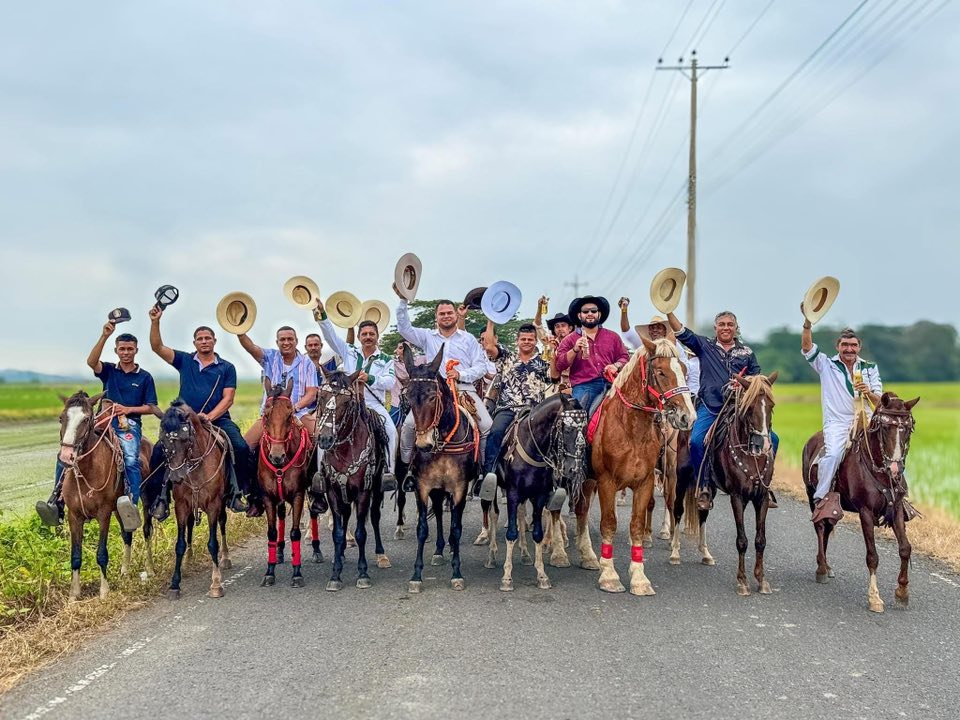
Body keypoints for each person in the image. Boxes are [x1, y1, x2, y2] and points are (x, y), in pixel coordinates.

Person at [36, 321, 158, 527]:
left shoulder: (145, 377)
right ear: (116, 350)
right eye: (122, 349)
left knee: (130, 458)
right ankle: (56, 501)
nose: (126, 353)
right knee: (67, 453)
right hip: (102, 420)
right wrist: (104, 335)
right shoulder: (109, 370)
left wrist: (127, 409)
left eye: (130, 349)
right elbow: (92, 362)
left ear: (136, 350)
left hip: (128, 424)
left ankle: (130, 504)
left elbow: (151, 407)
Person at [667, 309, 779, 510]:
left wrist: (744, 383)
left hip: (739, 409)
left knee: (774, 439)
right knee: (696, 441)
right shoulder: (704, 346)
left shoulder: (747, 353)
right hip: (710, 406)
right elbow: (681, 331)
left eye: (730, 324)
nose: (726, 328)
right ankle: (704, 486)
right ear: (715, 328)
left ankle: (764, 486)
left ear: (736, 328)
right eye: (722, 324)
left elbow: (758, 380)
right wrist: (668, 310)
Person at [147, 307, 248, 519]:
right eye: (200, 339)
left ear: (214, 341)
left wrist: (209, 417)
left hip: (217, 420)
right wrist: (155, 321)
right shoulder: (184, 360)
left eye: (207, 338)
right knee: (158, 451)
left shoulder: (227, 367)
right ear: (194, 343)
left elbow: (228, 398)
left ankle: (237, 493)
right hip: (183, 422)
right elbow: (157, 347)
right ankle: (160, 498)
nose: (204, 341)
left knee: (240, 446)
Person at [393, 290, 493, 491]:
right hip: (434, 393)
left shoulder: (469, 339)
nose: (446, 316)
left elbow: (481, 367)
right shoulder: (426, 336)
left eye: (449, 313)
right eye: (442, 314)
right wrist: (403, 300)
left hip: (463, 390)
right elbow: (404, 328)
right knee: (408, 426)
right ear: (436, 317)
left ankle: (482, 472)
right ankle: (407, 470)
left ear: (456, 315)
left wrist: (460, 374)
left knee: (487, 425)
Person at [801, 319, 883, 521]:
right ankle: (822, 498)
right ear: (837, 346)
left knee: (891, 451)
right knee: (833, 455)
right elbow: (807, 348)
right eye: (845, 345)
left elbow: (880, 402)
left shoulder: (869, 367)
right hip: (838, 422)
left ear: (859, 347)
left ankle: (898, 498)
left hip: (866, 420)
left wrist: (868, 392)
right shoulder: (826, 364)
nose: (849, 349)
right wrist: (807, 325)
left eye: (853, 345)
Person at [314, 299, 398, 490]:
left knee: (391, 431)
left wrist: (370, 378)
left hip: (372, 405)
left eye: (371, 334)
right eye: (364, 334)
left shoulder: (386, 359)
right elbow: (330, 336)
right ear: (359, 336)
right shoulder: (349, 350)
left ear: (377, 336)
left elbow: (390, 382)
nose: (368, 337)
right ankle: (320, 473)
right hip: (346, 404)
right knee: (324, 430)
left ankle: (389, 472)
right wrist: (322, 316)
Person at [475, 324, 556, 501]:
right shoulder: (506, 357)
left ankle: (553, 484)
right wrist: (492, 320)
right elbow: (489, 346)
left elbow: (555, 376)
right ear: (517, 340)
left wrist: (553, 350)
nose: (527, 342)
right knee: (495, 432)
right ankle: (488, 475)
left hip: (535, 410)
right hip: (508, 408)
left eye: (530, 339)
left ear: (536, 341)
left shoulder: (543, 361)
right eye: (523, 339)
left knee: (553, 437)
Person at [554, 296, 629, 415]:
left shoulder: (613, 337)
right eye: (585, 311)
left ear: (599, 314)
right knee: (577, 417)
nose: (590, 314)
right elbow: (559, 365)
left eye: (593, 311)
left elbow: (624, 357)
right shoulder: (569, 340)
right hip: (584, 386)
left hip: (613, 383)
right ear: (579, 315)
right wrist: (574, 350)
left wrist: (616, 365)